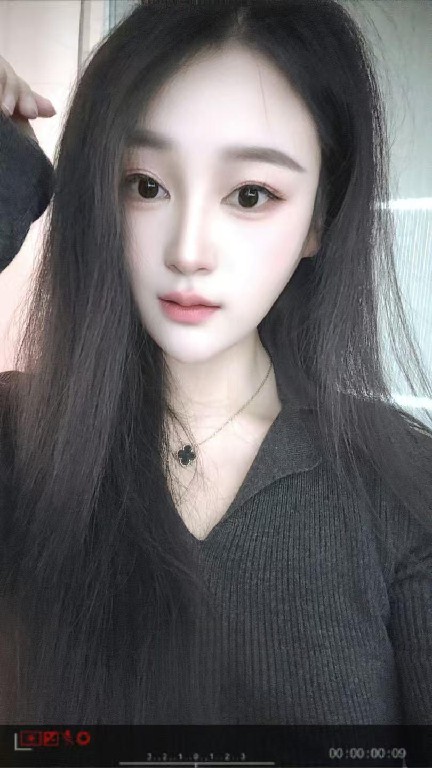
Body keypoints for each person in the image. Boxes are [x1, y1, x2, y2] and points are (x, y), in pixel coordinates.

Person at [0, 0, 431, 726]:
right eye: (146, 186)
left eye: (250, 194)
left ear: (319, 220)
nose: (188, 251)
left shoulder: (404, 483)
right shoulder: (17, 439)